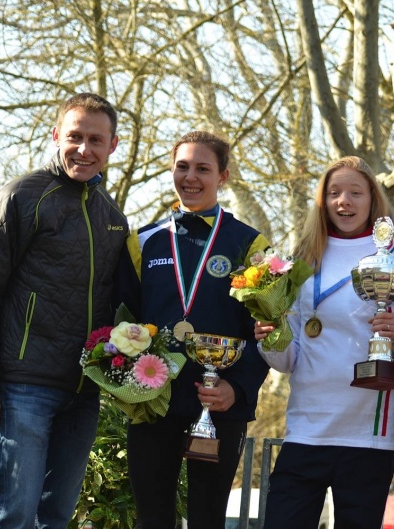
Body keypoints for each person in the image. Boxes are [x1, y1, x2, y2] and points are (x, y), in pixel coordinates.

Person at [0, 93, 128, 528]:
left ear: (113, 145)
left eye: (96, 140)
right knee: (14, 514)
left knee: (55, 517)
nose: (84, 149)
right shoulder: (19, 197)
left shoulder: (114, 216)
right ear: (57, 135)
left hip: (84, 390)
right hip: (25, 385)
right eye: (75, 136)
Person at [114, 131, 270, 529]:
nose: (191, 177)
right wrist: (128, 380)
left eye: (203, 168)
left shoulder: (250, 244)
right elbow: (121, 321)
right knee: (152, 519)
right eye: (182, 167)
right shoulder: (142, 241)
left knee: (208, 519)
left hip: (219, 401)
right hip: (154, 401)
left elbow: (266, 329)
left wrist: (238, 387)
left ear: (223, 176)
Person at [255, 156, 394, 529]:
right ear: (322, 201)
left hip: (368, 432)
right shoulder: (302, 261)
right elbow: (287, 361)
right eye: (334, 192)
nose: (344, 201)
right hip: (307, 427)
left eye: (355, 192)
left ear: (372, 199)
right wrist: (270, 336)